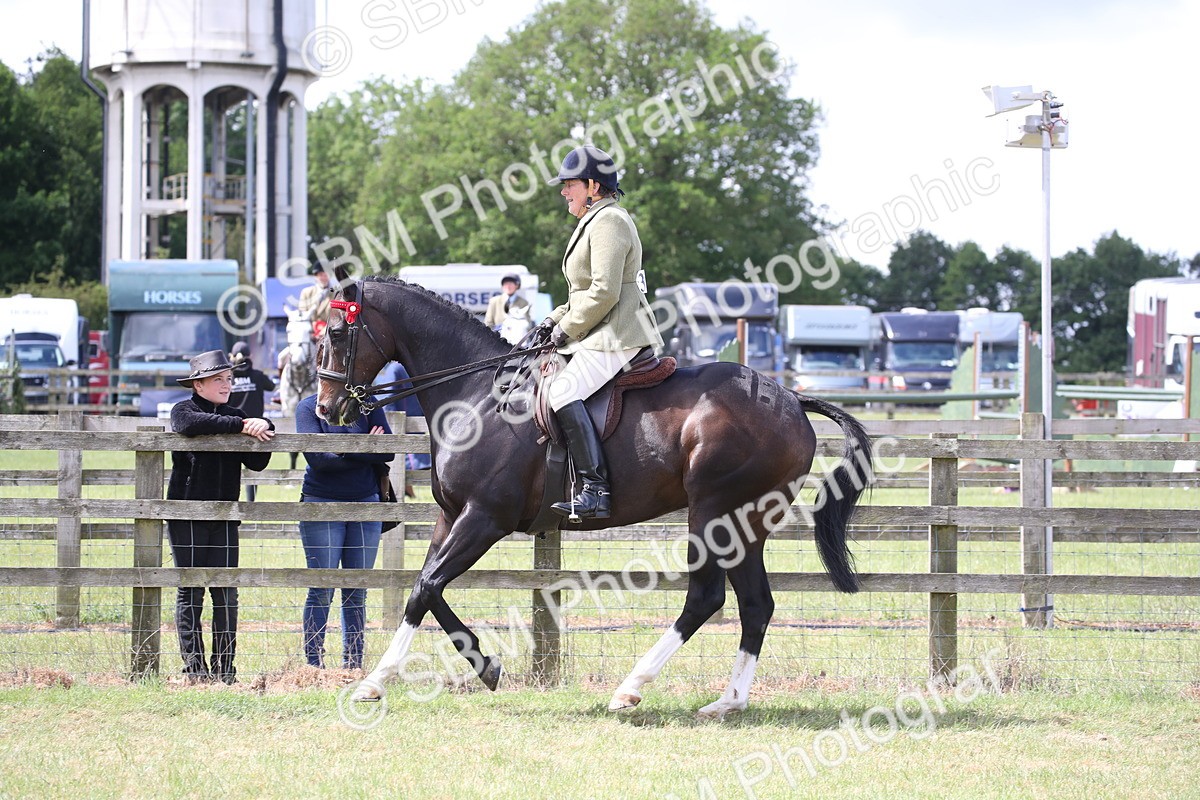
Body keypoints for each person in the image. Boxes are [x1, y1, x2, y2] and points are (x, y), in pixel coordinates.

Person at [538, 145, 664, 520]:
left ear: (593, 185)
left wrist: (568, 328)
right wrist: (552, 319)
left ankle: (595, 489)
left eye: (569, 185)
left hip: (618, 332)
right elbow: (580, 291)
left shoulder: (610, 221)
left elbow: (605, 291)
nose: (564, 191)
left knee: (562, 391)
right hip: (601, 327)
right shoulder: (594, 220)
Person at [168, 350, 276, 684]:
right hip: (186, 516)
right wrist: (242, 425)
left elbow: (257, 463)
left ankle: (225, 670)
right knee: (191, 592)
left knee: (226, 593)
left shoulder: (236, 414)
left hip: (225, 516)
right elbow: (189, 425)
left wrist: (265, 426)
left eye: (229, 379)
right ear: (198, 384)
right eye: (218, 379)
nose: (226, 385)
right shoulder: (184, 409)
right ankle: (195, 669)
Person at [294, 392, 394, 670]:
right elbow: (320, 460)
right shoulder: (307, 408)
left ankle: (353, 664)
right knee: (322, 587)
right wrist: (366, 448)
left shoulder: (367, 403)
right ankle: (314, 665)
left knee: (356, 589)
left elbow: (388, 450)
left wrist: (342, 449)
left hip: (366, 502)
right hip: (321, 502)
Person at [227, 341, 277, 500]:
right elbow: (272, 387)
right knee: (253, 467)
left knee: (229, 467)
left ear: (231, 356)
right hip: (256, 428)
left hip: (232, 428)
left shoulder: (228, 378)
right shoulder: (257, 376)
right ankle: (251, 502)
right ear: (251, 356)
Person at [484, 274, 532, 344]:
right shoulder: (494, 301)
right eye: (505, 284)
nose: (508, 286)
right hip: (498, 339)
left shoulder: (524, 303)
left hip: (517, 339)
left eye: (511, 284)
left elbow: (528, 323)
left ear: (517, 285)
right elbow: (488, 322)